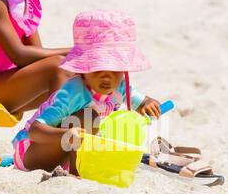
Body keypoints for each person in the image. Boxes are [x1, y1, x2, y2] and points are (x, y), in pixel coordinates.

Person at [11, 10, 161, 174]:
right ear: (83, 69)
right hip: (32, 152)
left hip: (67, 152)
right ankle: (78, 172)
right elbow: (35, 130)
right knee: (89, 117)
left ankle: (80, 166)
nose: (107, 76)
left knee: (117, 125)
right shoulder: (73, 92)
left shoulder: (120, 87)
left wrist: (148, 104)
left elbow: (143, 102)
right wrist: (64, 135)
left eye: (115, 68)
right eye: (98, 67)